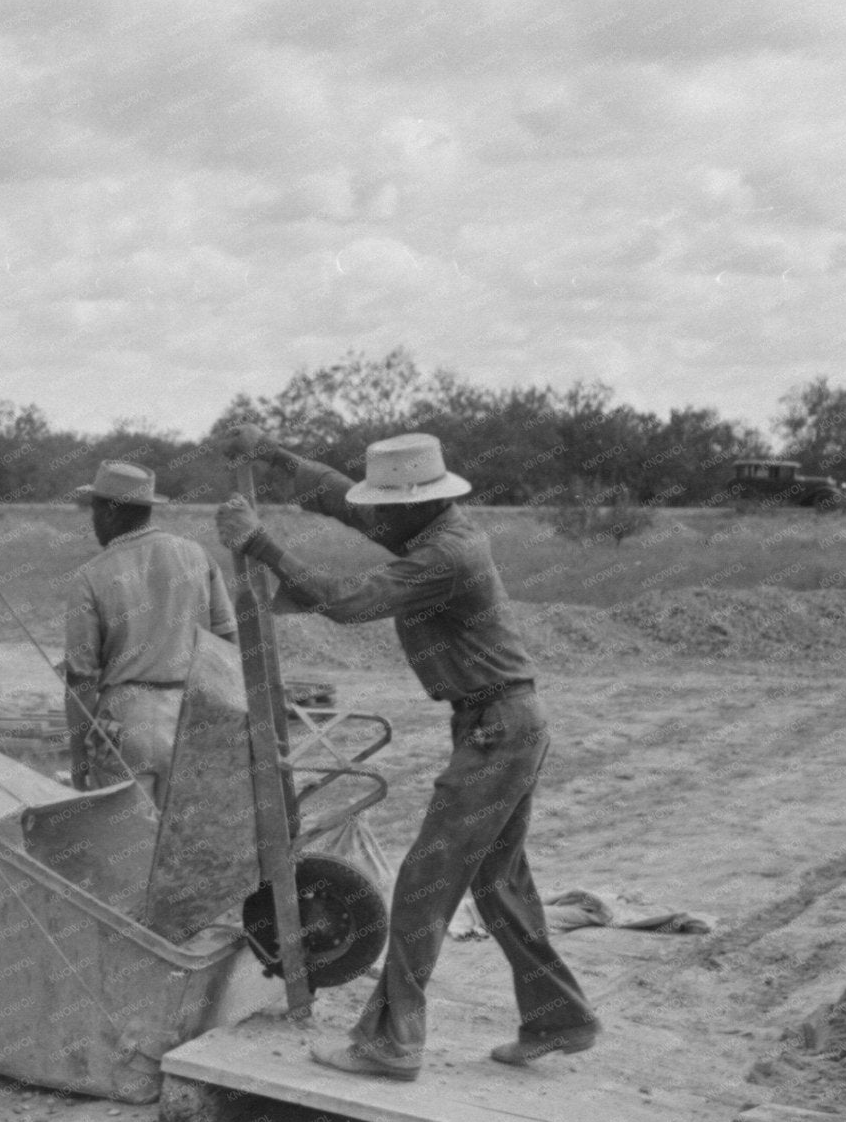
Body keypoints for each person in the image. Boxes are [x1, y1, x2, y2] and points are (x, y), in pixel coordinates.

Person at [212, 427, 598, 1080]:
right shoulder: (428, 526)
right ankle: (559, 1015)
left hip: (496, 729)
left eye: (386, 506)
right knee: (498, 881)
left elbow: (349, 601)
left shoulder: (444, 556)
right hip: (503, 721)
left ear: (417, 501)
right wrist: (275, 457)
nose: (377, 517)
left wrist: (258, 543)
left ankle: (391, 1041)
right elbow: (339, 497)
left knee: (423, 883)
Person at [63, 460, 238, 804]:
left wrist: (78, 754)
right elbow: (228, 646)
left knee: (125, 840)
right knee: (184, 839)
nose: (93, 522)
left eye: (95, 511)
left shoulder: (90, 576)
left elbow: (80, 679)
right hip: (191, 720)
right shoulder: (197, 556)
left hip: (125, 722)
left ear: (109, 514)